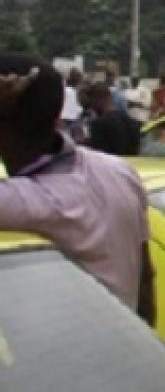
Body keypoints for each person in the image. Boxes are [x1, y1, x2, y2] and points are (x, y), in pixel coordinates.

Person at [0, 56, 155, 324]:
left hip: (64, 359)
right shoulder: (118, 171)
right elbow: (145, 279)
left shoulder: (28, 201)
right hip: (127, 352)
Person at [83, 81, 141, 156]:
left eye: (92, 102)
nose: (92, 107)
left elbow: (97, 155)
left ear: (98, 100)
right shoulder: (132, 123)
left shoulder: (98, 125)